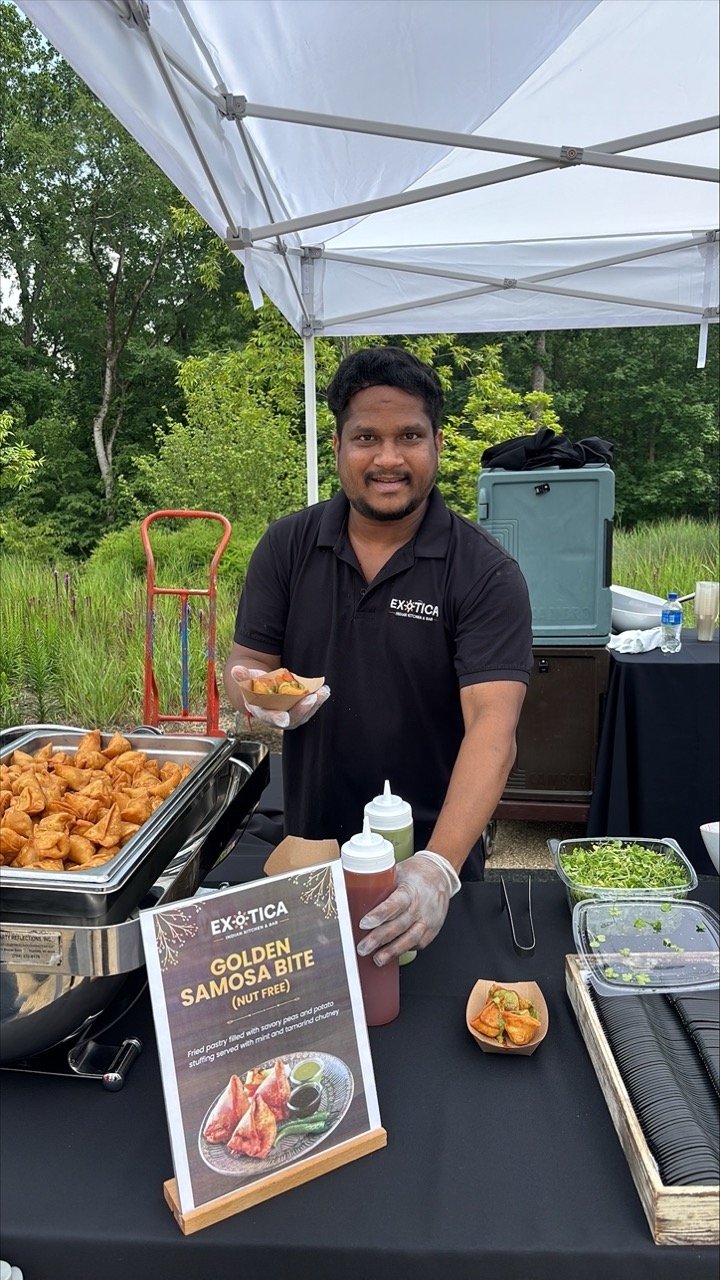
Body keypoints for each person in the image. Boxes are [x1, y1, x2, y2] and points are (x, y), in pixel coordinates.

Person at [224, 346, 532, 967]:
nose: (388, 459)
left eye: (409, 436)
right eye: (367, 436)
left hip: (432, 852)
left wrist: (437, 869)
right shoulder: (288, 545)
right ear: (337, 444)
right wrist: (267, 700)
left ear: (437, 444)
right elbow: (246, 673)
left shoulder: (485, 573)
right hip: (310, 844)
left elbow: (493, 730)